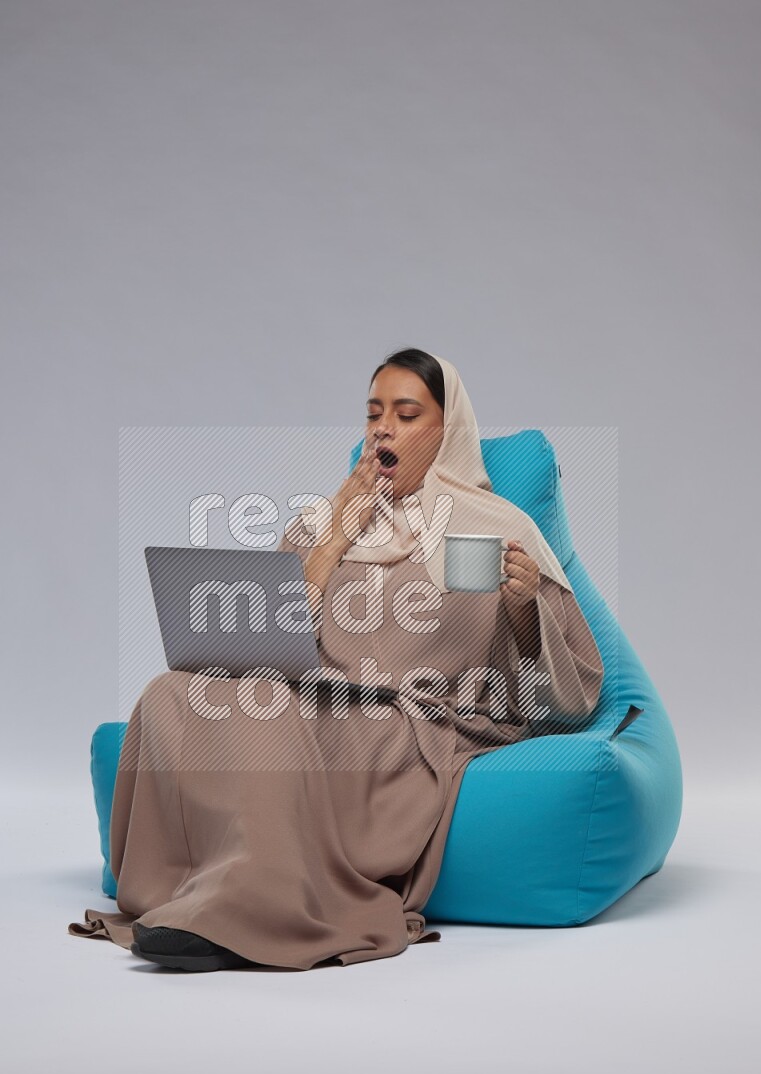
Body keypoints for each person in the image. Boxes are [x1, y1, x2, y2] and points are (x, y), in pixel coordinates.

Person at [68, 348, 604, 971]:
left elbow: (572, 698)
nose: (383, 428)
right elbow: (265, 641)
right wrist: (335, 537)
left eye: (406, 415)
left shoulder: (499, 527)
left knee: (263, 709)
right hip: (317, 700)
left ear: (446, 428)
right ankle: (183, 894)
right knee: (170, 692)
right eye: (374, 413)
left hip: (411, 722)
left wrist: (523, 604)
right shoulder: (325, 521)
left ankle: (249, 908)